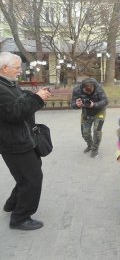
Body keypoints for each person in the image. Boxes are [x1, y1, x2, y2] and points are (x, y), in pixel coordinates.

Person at [0, 51, 51, 230]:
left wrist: (36, 95)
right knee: (32, 179)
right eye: (17, 67)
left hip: (22, 140)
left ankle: (12, 204)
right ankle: (20, 218)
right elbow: (14, 113)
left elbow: (20, 101)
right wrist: (36, 98)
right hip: (14, 144)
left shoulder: (8, 84)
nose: (20, 70)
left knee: (27, 176)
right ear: (4, 68)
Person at [71, 78, 108, 158]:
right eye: (86, 92)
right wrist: (76, 105)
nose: (89, 93)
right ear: (82, 88)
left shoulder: (98, 88)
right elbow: (72, 104)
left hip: (99, 111)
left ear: (94, 87)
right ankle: (90, 145)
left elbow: (105, 101)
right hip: (86, 112)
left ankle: (95, 149)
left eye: (91, 91)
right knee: (85, 133)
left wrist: (93, 105)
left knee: (97, 131)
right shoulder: (77, 90)